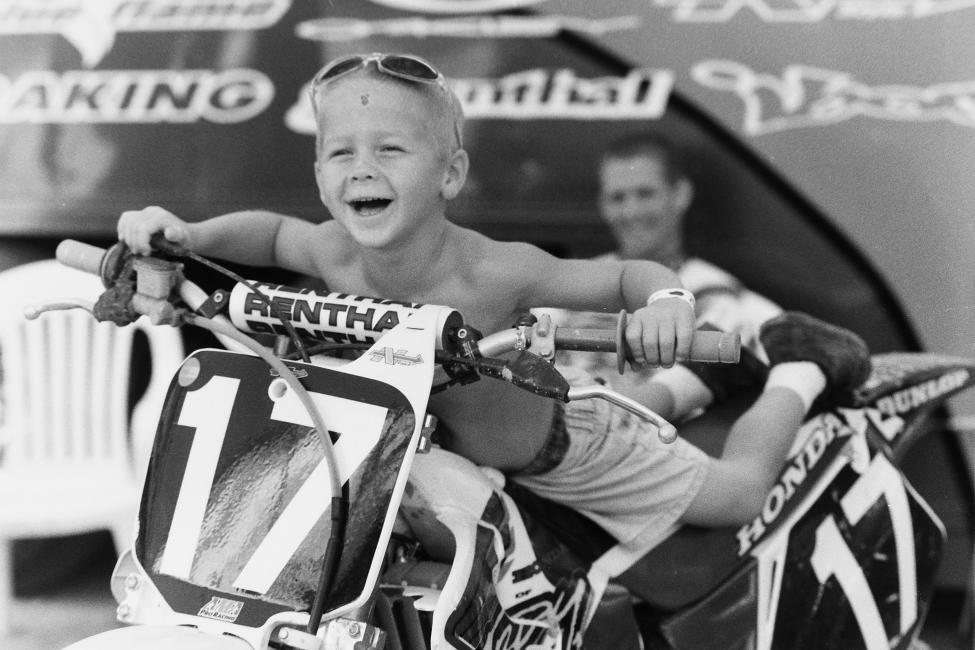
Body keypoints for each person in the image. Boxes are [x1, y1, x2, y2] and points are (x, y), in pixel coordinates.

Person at [116, 52, 870, 586]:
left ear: (450, 173)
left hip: (557, 452)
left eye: (389, 148)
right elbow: (269, 234)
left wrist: (668, 305)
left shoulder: (493, 269)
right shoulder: (330, 248)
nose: (359, 167)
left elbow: (623, 277)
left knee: (732, 496)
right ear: (318, 175)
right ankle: (693, 385)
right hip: (441, 457)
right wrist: (189, 237)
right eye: (338, 151)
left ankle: (794, 365)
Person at [544, 132, 783, 408]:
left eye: (645, 194)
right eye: (618, 198)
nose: (631, 211)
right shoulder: (572, 284)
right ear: (602, 205)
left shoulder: (720, 296)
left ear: (681, 194)